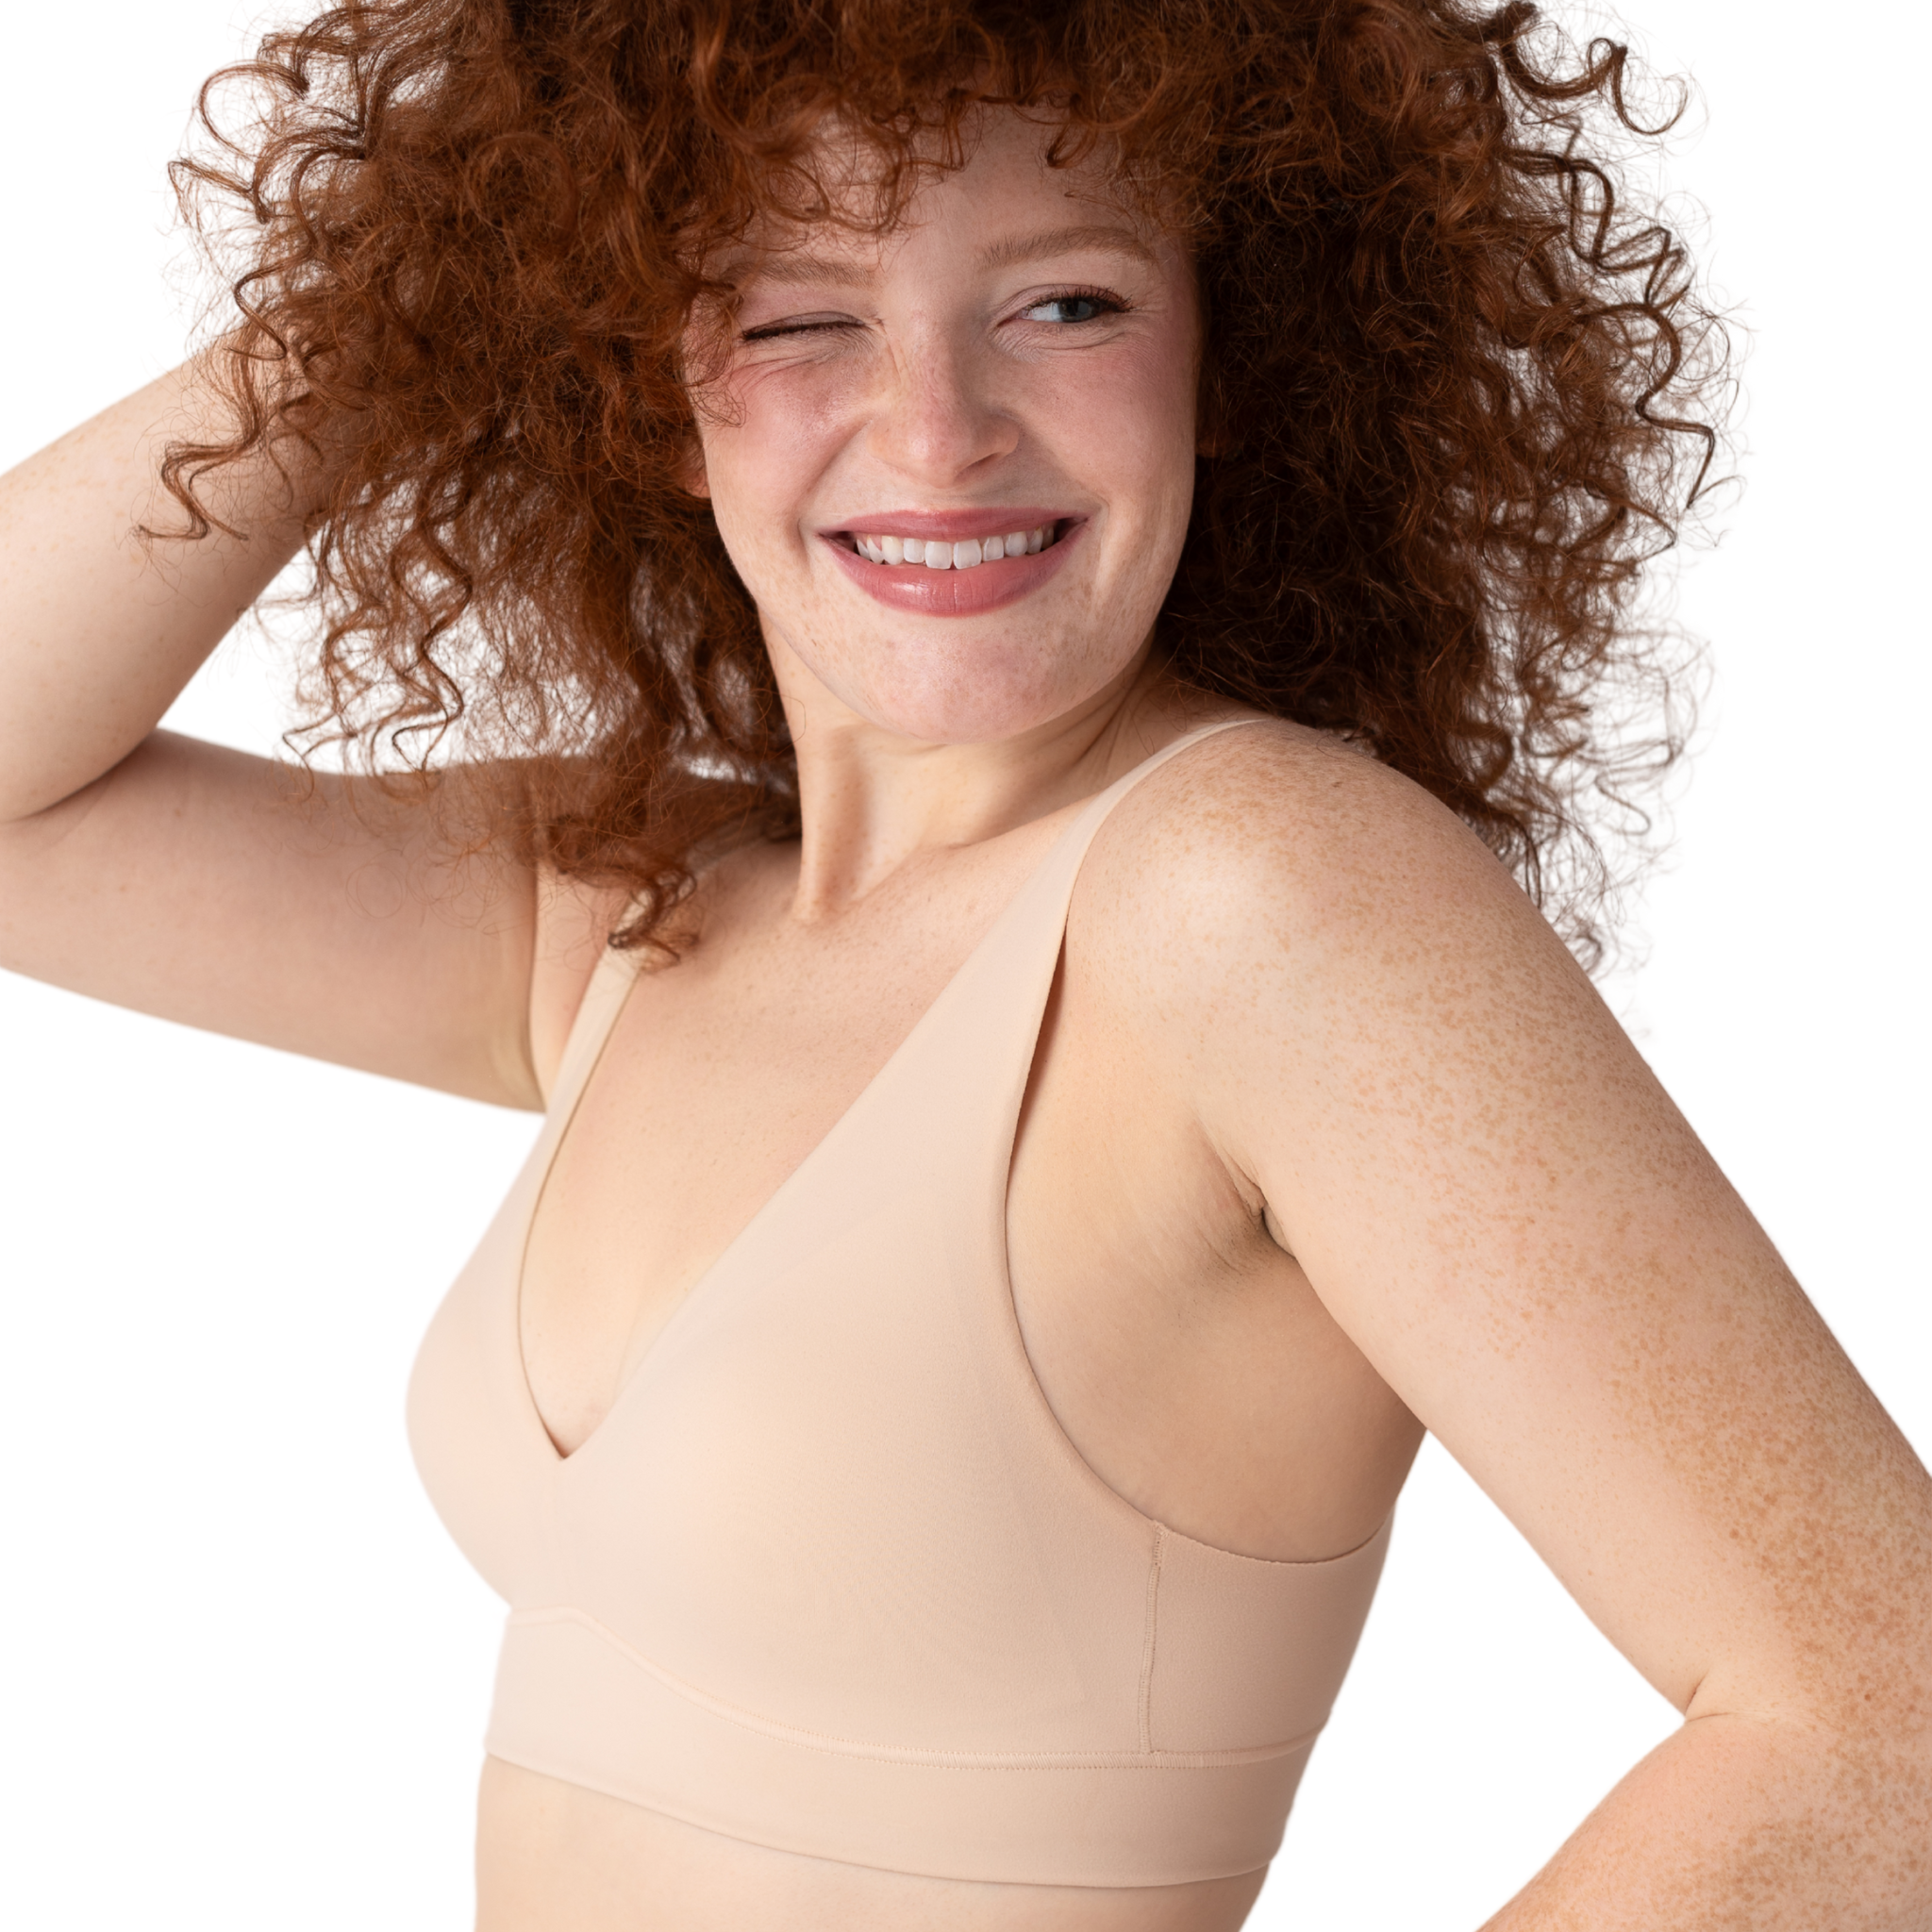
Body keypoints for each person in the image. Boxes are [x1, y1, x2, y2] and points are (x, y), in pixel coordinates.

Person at [2, 0, 1927, 1926]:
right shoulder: (642, 918)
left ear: (1232, 352)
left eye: (1067, 304)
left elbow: (1882, 1726)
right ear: (644, 383)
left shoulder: (1252, 896)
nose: (938, 431)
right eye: (793, 317)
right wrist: (405, 303)